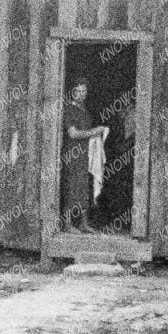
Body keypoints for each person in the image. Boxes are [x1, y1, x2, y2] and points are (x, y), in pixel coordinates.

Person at [62, 80, 97, 229]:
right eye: (79, 91)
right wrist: (93, 132)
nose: (82, 94)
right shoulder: (69, 109)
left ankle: (83, 223)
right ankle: (68, 224)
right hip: (73, 152)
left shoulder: (84, 110)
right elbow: (73, 133)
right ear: (73, 92)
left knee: (84, 187)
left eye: (84, 91)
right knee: (71, 186)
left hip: (84, 154)